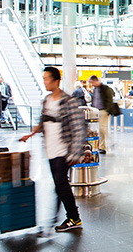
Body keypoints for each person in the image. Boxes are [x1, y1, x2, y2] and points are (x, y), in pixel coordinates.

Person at [20, 67, 87, 232]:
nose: (44, 82)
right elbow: (43, 121)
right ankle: (56, 218)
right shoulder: (47, 100)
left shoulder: (68, 101)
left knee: (61, 184)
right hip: (50, 149)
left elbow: (79, 128)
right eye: (44, 78)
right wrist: (31, 134)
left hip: (63, 150)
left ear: (56, 81)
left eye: (47, 79)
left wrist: (75, 153)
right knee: (60, 184)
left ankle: (74, 218)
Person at [89, 75, 113, 154]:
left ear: (96, 81)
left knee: (101, 128)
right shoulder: (95, 89)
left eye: (92, 82)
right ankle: (99, 145)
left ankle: (102, 147)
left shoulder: (105, 88)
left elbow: (110, 99)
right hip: (96, 111)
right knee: (98, 129)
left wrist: (107, 110)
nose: (92, 84)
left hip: (103, 110)